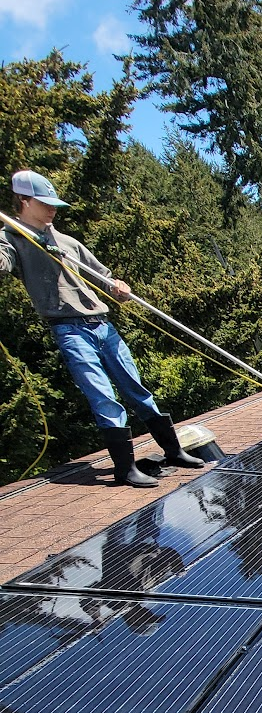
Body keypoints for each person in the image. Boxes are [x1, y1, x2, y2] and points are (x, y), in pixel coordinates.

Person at [0, 170, 204, 488]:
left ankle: (174, 451)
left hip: (103, 325)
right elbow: (3, 263)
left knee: (138, 390)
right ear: (24, 201)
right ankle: (126, 468)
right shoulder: (12, 238)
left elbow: (102, 275)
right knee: (103, 397)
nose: (52, 209)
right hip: (70, 330)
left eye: (54, 203)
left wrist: (118, 286)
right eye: (44, 203)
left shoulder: (67, 242)